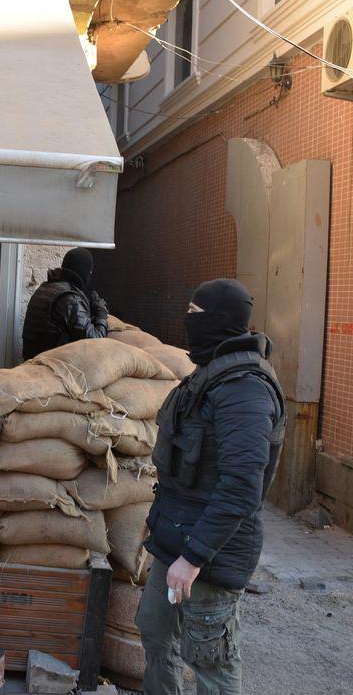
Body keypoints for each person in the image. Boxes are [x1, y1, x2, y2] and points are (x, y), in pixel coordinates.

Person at [136, 278, 286, 695]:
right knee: (154, 631)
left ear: (219, 320)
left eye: (195, 313)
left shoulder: (245, 390)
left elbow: (241, 487)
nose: (188, 320)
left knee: (210, 662)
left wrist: (195, 556)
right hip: (177, 540)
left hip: (210, 553)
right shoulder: (213, 374)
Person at [21, 247, 109, 360]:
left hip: (33, 359)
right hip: (51, 366)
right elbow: (95, 340)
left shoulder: (47, 286)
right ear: (85, 272)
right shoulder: (70, 298)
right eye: (90, 272)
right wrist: (101, 314)